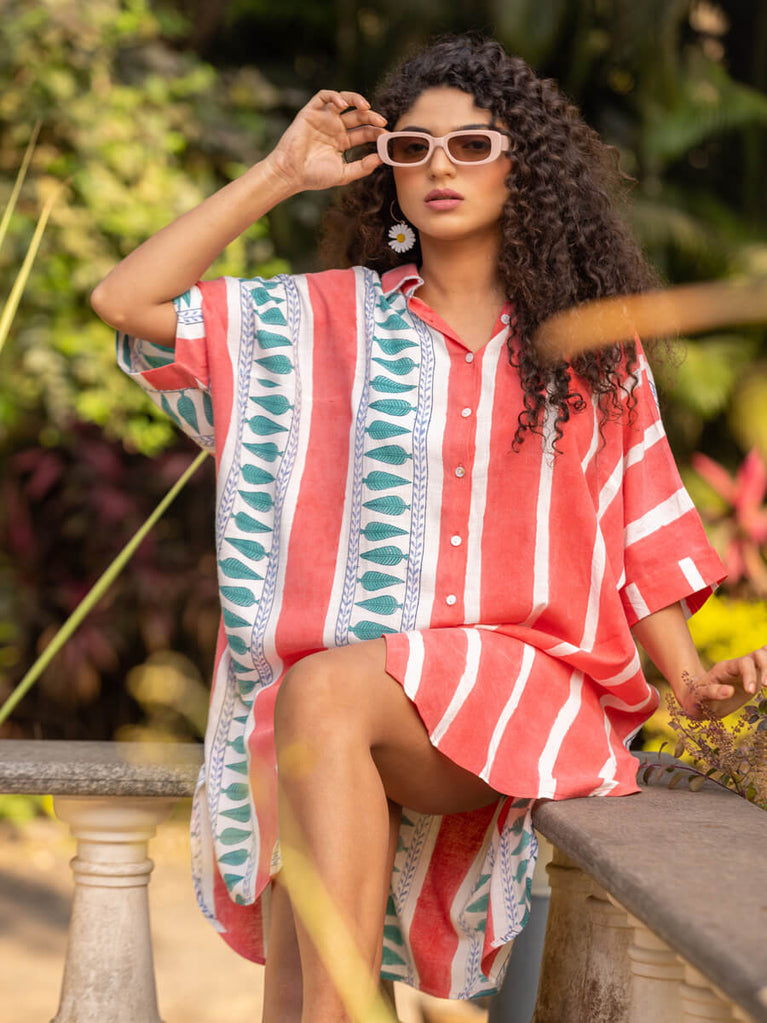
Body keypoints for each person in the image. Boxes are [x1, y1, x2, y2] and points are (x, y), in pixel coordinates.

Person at [92, 34, 767, 1023]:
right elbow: (125, 300)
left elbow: (638, 527)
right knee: (295, 939)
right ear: (390, 176)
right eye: (412, 148)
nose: (439, 167)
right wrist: (281, 172)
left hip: (520, 682)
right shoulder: (318, 323)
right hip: (342, 709)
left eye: (470, 145)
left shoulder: (587, 348)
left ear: (521, 166)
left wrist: (689, 679)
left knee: (315, 692)